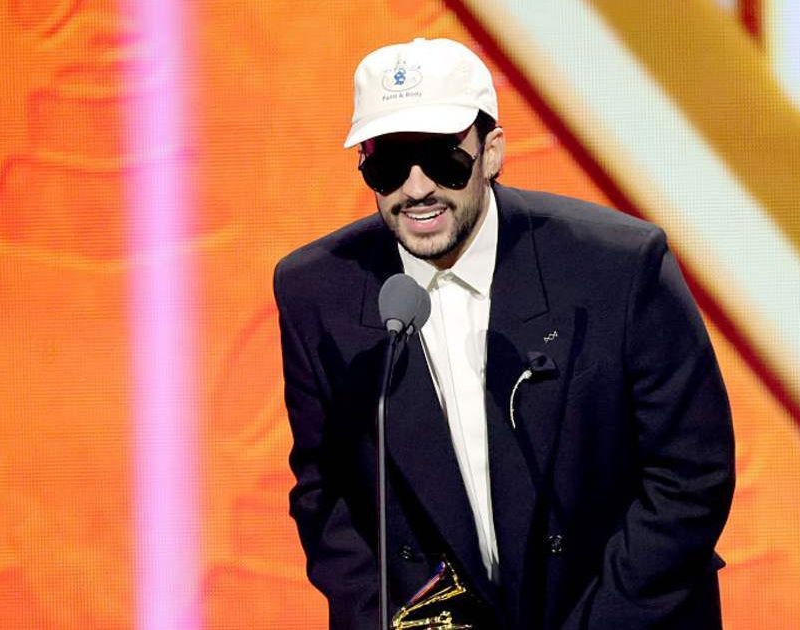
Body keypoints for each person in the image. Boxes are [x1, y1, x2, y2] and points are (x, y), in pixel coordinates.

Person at [275, 37, 735, 629]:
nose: (416, 189)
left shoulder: (615, 267)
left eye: (443, 159)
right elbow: (325, 492)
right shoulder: (319, 291)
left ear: (492, 151)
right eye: (388, 164)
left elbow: (689, 474)